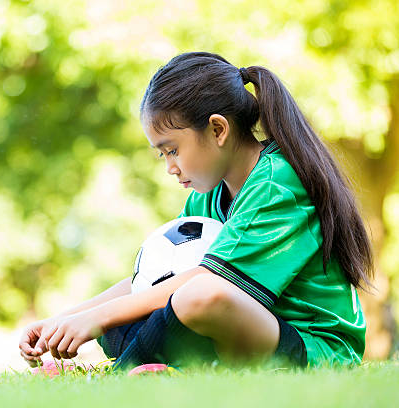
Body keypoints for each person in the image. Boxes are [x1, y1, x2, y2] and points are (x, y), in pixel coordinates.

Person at [18, 51, 374, 370]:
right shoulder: (209, 191)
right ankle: (153, 367)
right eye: (162, 154)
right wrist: (65, 319)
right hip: (245, 334)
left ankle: (121, 372)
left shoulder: (277, 184)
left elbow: (208, 283)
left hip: (314, 349)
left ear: (218, 129)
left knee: (200, 295)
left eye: (172, 150)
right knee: (136, 309)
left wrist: (97, 319)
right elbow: (156, 279)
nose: (169, 166)